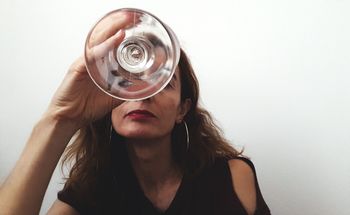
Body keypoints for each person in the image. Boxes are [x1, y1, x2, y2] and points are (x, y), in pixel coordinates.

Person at [0, 12, 271, 215]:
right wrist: (61, 117)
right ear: (110, 101)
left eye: (162, 83)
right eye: (127, 79)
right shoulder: (90, 194)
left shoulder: (232, 176)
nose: (144, 92)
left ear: (182, 109)